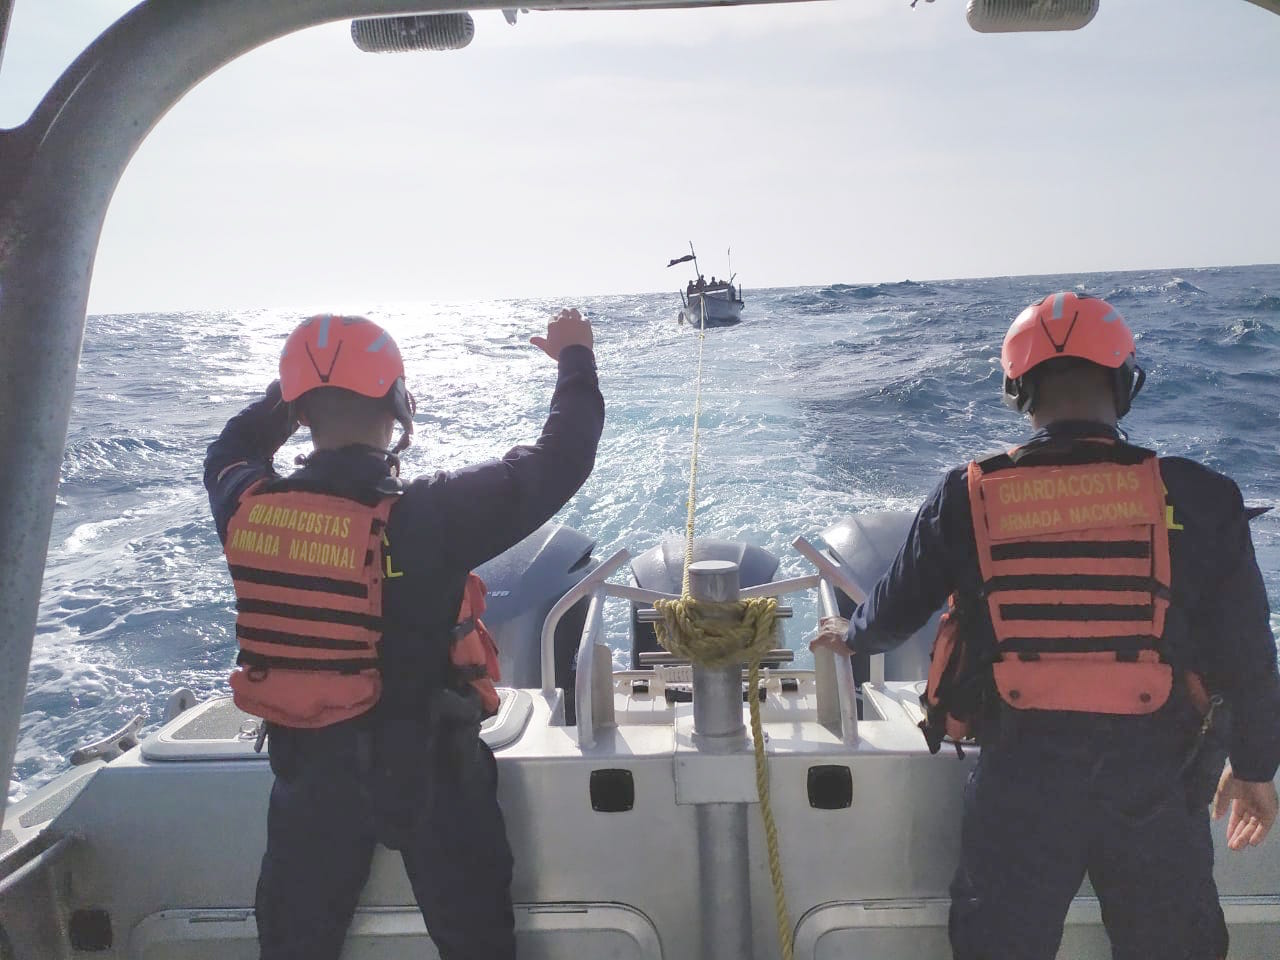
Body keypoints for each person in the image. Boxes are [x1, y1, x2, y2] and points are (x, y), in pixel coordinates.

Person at [811, 291, 1280, 960]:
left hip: (1020, 780)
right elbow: (1248, 651)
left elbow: (892, 614)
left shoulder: (965, 496)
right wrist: (1258, 765)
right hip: (1159, 781)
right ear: (1125, 385)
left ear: (1017, 392)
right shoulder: (1204, 496)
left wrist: (850, 635)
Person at [204, 308, 603, 960]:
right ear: (399, 403)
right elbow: (562, 456)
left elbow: (230, 450)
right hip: (434, 775)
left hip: (310, 779)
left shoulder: (244, 504)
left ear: (300, 413)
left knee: (294, 945)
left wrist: (295, 388)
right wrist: (575, 357)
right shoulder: (429, 516)